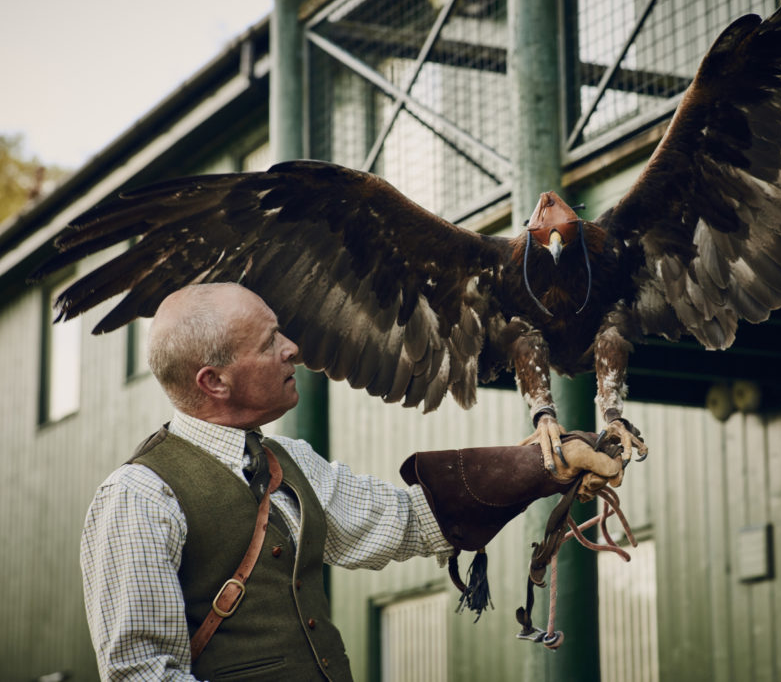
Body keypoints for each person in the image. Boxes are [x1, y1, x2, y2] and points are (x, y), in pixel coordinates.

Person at [80, 282, 623, 681]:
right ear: (214, 380)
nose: (293, 347)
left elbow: (410, 521)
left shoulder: (286, 460)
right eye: (270, 342)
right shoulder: (139, 496)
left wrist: (545, 465)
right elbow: (140, 673)